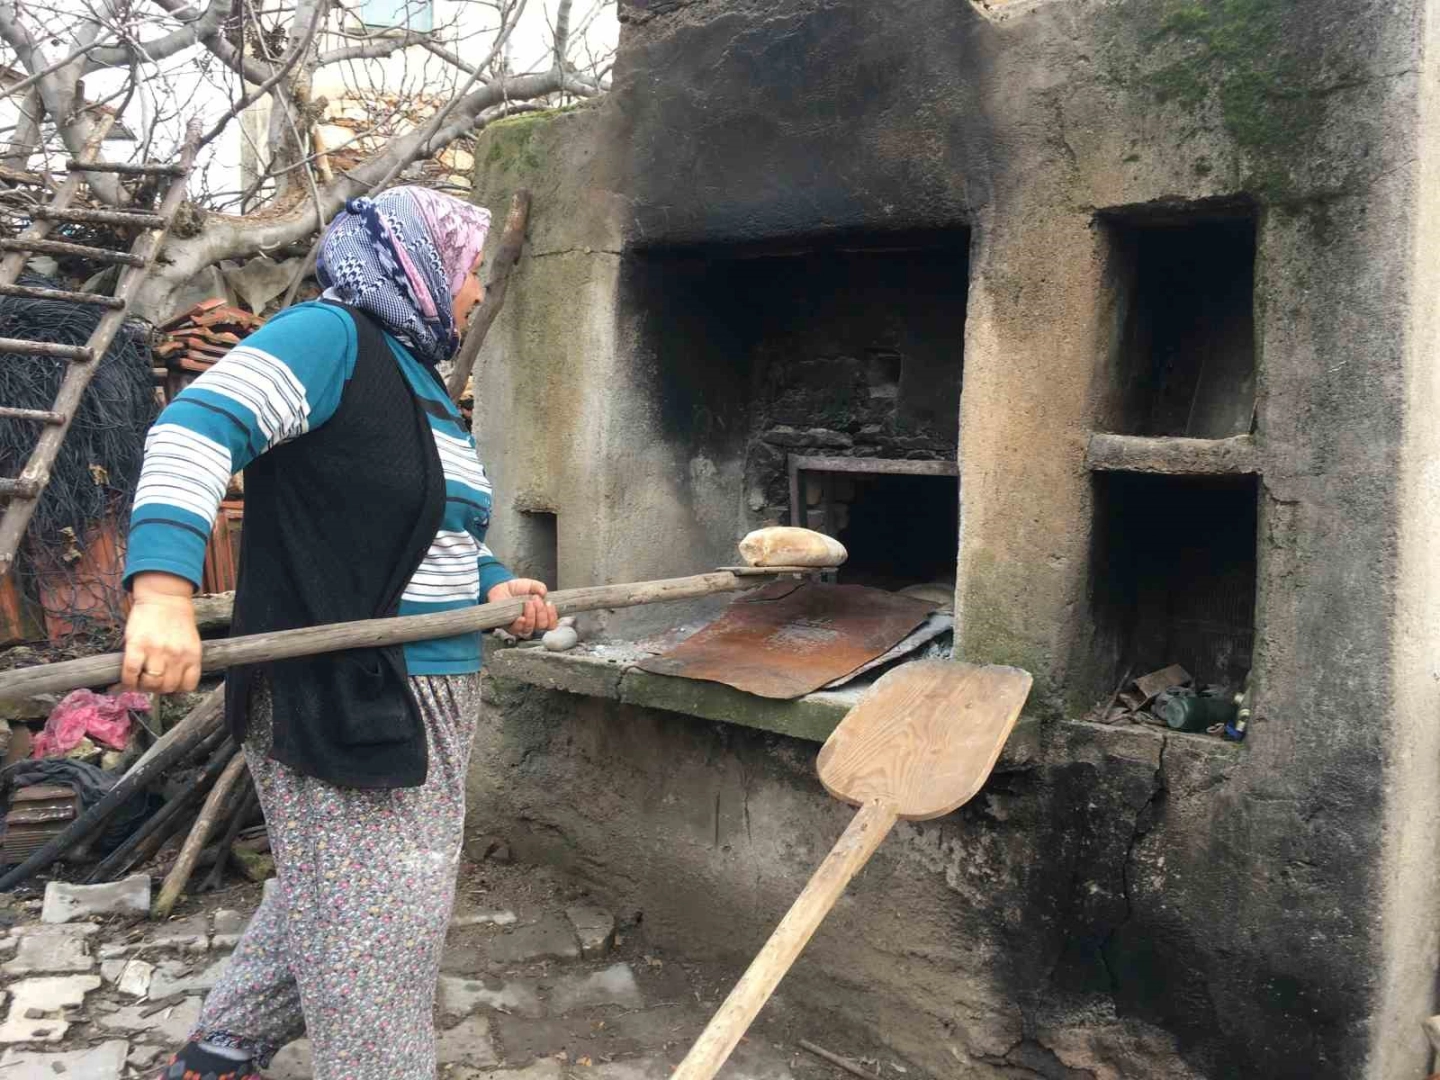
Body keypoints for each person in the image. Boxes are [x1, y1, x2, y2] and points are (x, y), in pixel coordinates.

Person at [119, 185, 558, 1080]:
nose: (479, 291)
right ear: (420, 263)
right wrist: (161, 593)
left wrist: (495, 586)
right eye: (470, 270)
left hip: (429, 688)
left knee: (344, 895)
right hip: (348, 688)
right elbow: (192, 428)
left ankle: (217, 1056)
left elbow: (432, 530)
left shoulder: (416, 378)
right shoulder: (330, 339)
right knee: (379, 940)